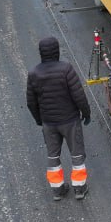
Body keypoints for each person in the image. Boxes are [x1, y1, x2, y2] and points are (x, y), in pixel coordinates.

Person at [26, 37, 92, 201]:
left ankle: (58, 190)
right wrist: (86, 112)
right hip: (70, 121)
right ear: (57, 51)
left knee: (53, 156)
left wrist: (39, 119)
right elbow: (79, 95)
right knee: (77, 155)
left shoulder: (34, 73)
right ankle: (79, 189)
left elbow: (30, 102)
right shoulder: (66, 69)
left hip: (49, 123)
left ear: (41, 53)